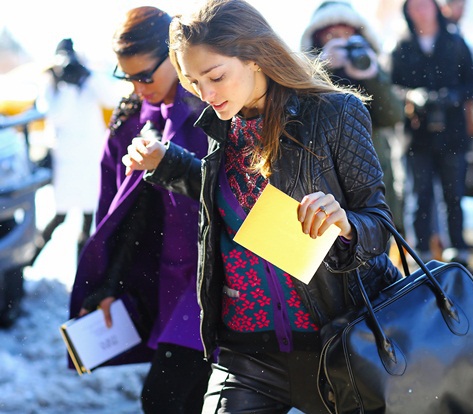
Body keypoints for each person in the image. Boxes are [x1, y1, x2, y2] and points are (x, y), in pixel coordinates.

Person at [122, 0, 401, 412]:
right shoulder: (220, 123)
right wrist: (167, 163)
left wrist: (344, 224)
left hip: (337, 342)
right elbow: (238, 201)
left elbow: (379, 224)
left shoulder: (336, 112)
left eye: (216, 76)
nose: (207, 94)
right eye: (195, 82)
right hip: (246, 350)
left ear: (255, 57)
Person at [69, 7, 211, 413]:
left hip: (209, 282)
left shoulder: (215, 104)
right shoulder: (131, 116)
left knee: (165, 399)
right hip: (156, 277)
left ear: (177, 54)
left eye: (145, 75)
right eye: (126, 76)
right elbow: (115, 211)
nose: (137, 87)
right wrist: (110, 283)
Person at [300, 1, 405, 235]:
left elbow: (393, 116)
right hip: (325, 181)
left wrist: (372, 78)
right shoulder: (305, 77)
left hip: (373, 175)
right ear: (318, 40)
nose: (343, 41)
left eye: (348, 34)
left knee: (375, 245)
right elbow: (304, 116)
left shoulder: (372, 67)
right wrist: (323, 69)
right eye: (333, 35)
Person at [390, 0, 473, 266]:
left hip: (452, 132)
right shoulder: (401, 46)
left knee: (454, 195)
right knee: (419, 196)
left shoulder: (454, 42)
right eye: (414, 6)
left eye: (425, 5)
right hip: (416, 135)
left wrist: (451, 97)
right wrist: (413, 97)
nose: (420, 11)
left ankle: (458, 254)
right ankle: (420, 256)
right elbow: (391, 87)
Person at [33, 38, 124, 262]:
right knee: (60, 215)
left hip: (90, 158)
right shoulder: (51, 82)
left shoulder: (88, 77)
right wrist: (67, 86)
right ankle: (29, 259)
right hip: (66, 160)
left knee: (88, 216)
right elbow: (55, 116)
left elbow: (111, 98)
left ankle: (80, 274)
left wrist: (88, 76)